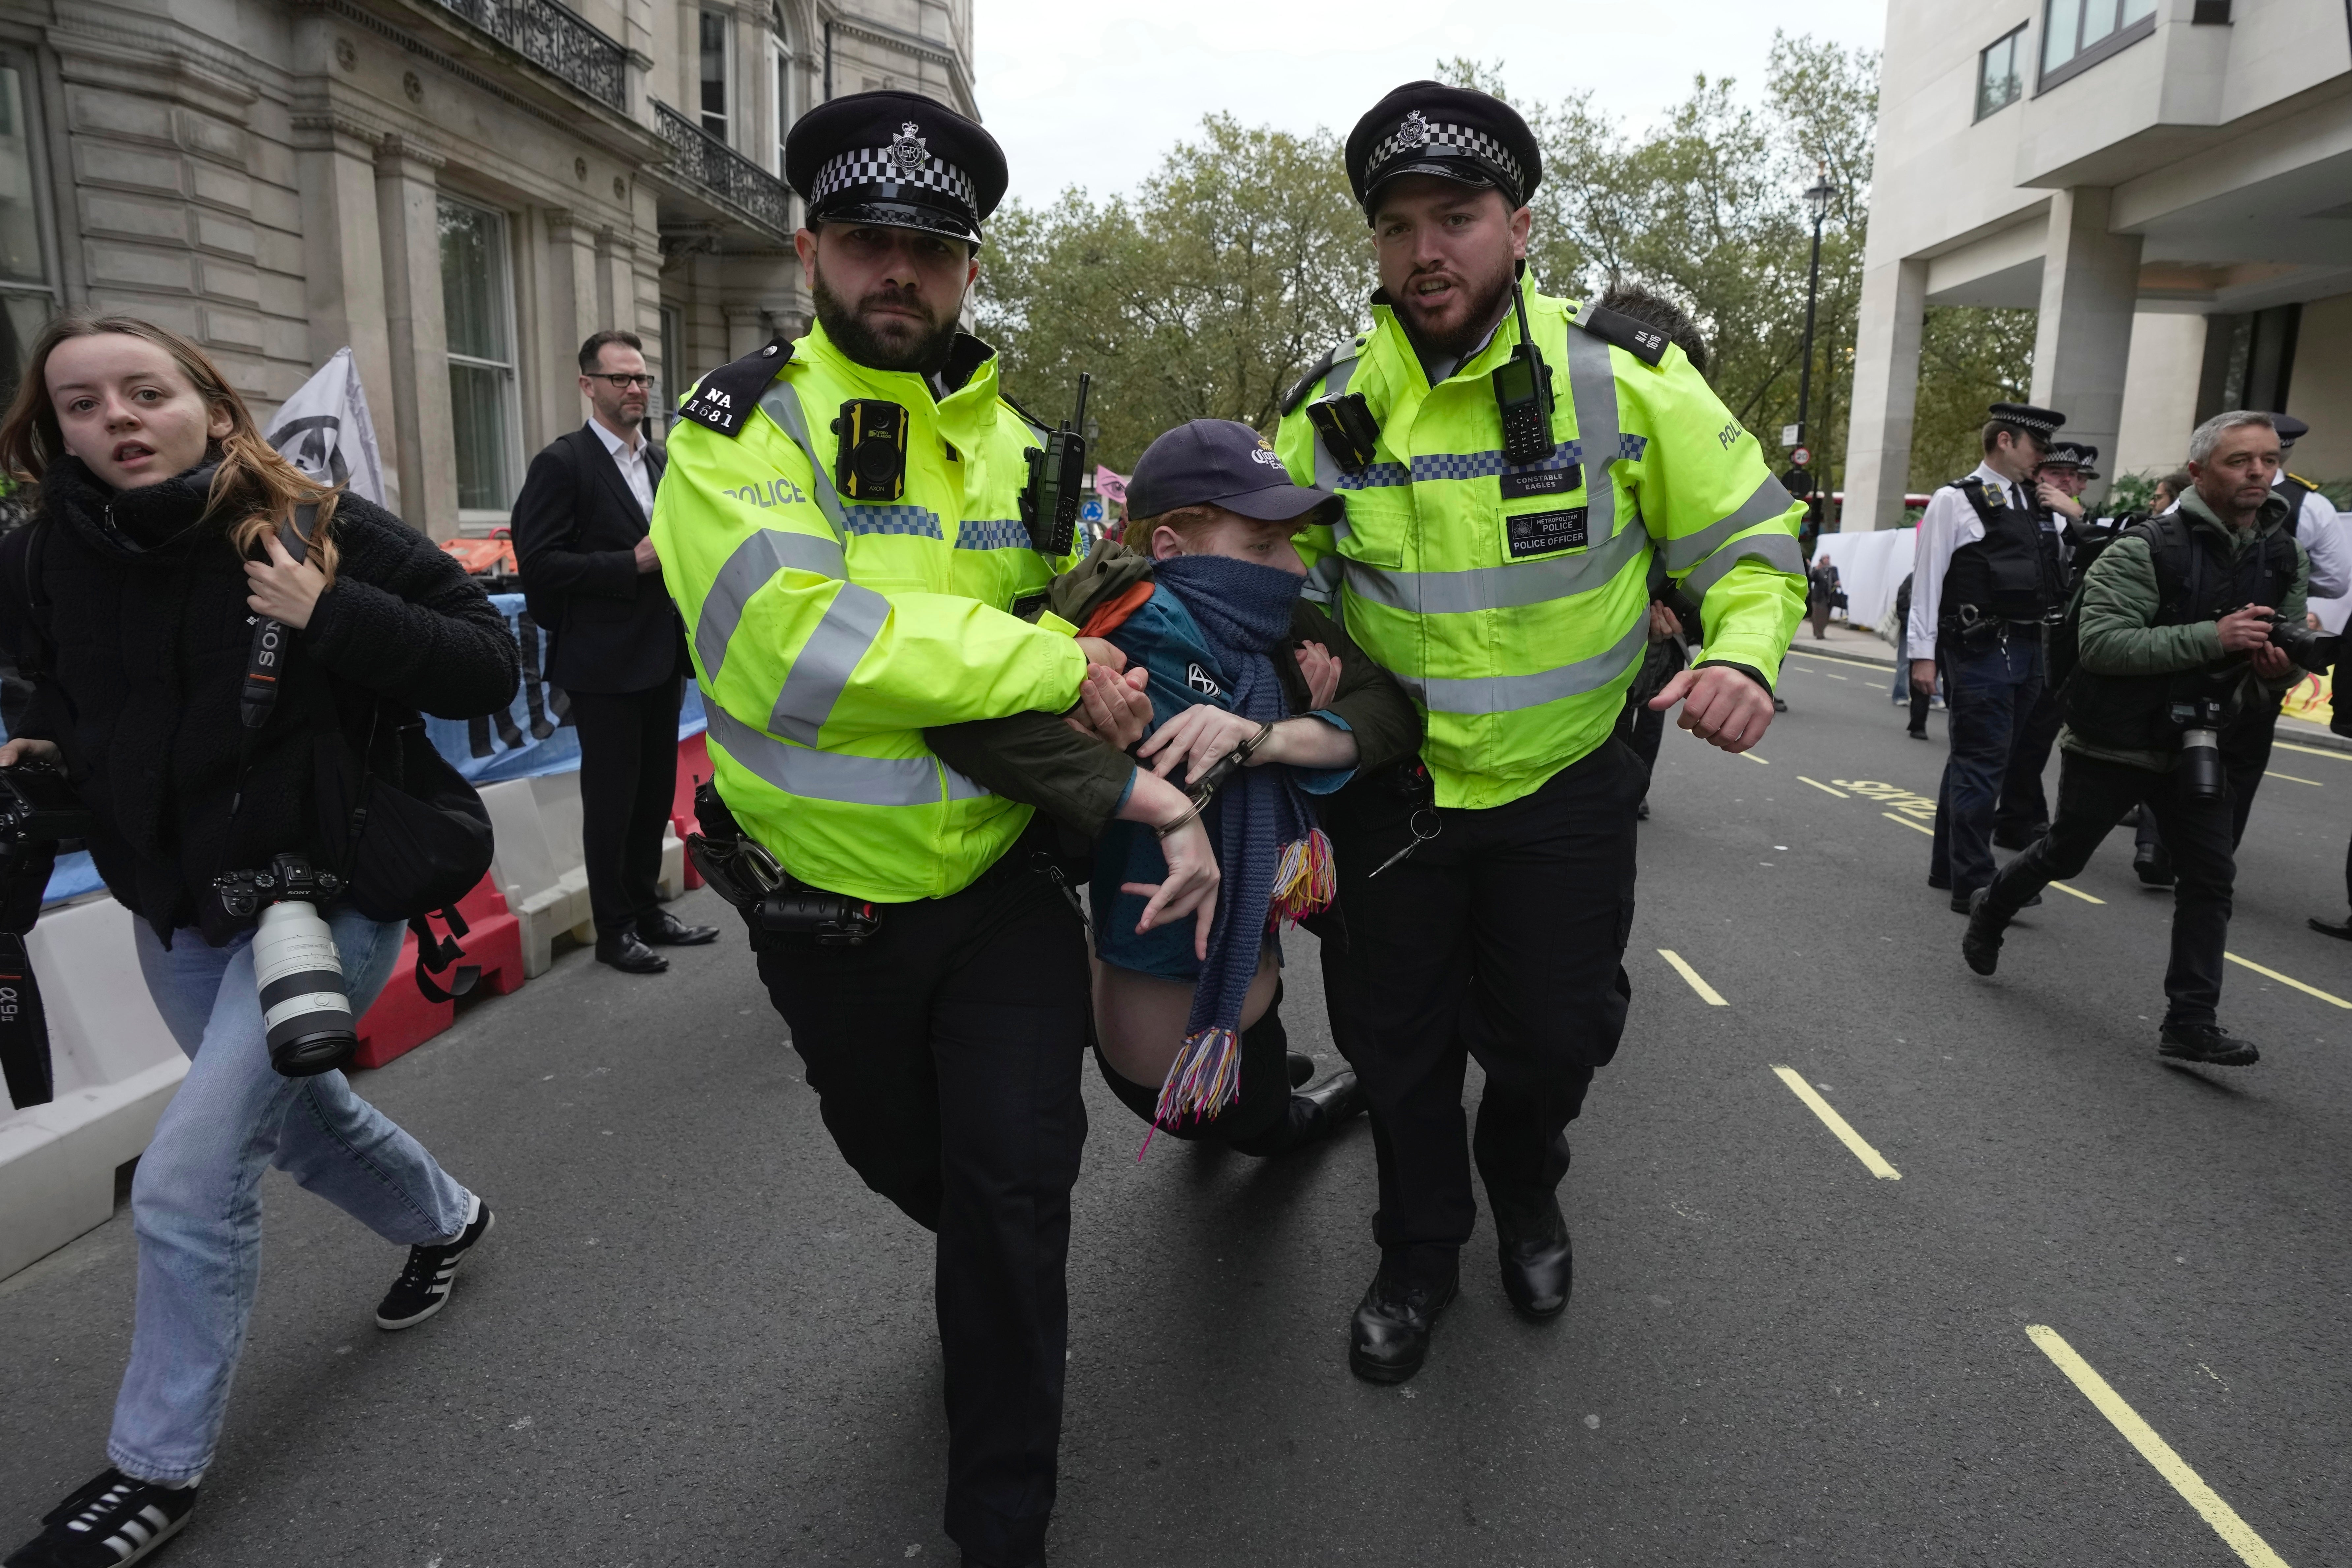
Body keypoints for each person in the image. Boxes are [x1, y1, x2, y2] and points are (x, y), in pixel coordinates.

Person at [649, 91, 1221, 1568]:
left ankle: (1001, 1521)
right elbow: (786, 646)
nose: (895, 269)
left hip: (999, 887)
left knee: (1016, 1193)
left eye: (929, 247)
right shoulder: (740, 426)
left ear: (968, 268)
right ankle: (974, 1259)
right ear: (809, 250)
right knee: (918, 1170)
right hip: (828, 914)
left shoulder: (1020, 442)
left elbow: (1060, 619)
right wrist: (1048, 663)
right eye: (864, 240)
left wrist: (1121, 662)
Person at [1275, 81, 1806, 1385]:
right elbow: (1279, 582)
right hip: (1394, 794)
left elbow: (1750, 540)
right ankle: (1417, 1248)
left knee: (1556, 1037)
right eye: (1396, 225)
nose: (1425, 250)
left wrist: (1741, 651)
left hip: (1562, 789)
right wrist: (1280, 649)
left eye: (1455, 218)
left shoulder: (1623, 376)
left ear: (1518, 229)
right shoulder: (1325, 411)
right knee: (1395, 1047)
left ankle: (1522, 1177)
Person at [0, 316, 519, 1567]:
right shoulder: (38, 557)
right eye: (82, 404)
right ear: (52, 430)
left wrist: (328, 609)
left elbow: (486, 663)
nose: (117, 419)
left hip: (324, 889)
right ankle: (448, 1218)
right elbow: (68, 699)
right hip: (176, 902)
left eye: (144, 392)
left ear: (213, 408)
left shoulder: (312, 522)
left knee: (188, 1177)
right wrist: (48, 754)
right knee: (295, 1122)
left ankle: (153, 1470)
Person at [943, 420, 1419, 1157]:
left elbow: (1387, 710)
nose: (1294, 566)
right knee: (1261, 1128)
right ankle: (1280, 1110)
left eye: (1291, 541)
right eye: (1262, 545)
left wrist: (1277, 733)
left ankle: (1260, 1073)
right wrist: (1096, 747)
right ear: (1169, 546)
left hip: (1254, 946)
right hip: (1159, 1019)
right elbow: (977, 727)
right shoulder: (1106, 631)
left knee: (1266, 1059)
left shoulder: (1272, 619)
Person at [1962, 411, 2327, 1066]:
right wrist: (2213, 637)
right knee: (2064, 854)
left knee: (2210, 878)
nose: (2258, 472)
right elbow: (2103, 645)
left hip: (2203, 737)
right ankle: (1992, 906)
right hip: (2116, 738)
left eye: (2268, 460)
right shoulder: (2143, 549)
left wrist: (2281, 669)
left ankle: (2189, 1021)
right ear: (2197, 472)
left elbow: (2286, 650)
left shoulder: (2283, 555)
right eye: (2239, 461)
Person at [510, 329, 718, 974]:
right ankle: (615, 929)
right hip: (601, 663)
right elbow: (538, 564)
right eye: (621, 378)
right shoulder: (563, 463)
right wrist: (628, 563)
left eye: (642, 378)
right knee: (612, 800)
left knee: (654, 794)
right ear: (588, 385)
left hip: (661, 655)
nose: (636, 389)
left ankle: (648, 910)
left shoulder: (659, 460)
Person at [1907, 402, 2069, 912]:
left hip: (2029, 648)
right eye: (2036, 447)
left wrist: (2072, 516)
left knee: (1980, 761)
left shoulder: (2037, 504)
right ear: (2004, 441)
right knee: (1981, 763)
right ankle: (1975, 883)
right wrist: (1921, 655)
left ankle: (1947, 866)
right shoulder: (1955, 500)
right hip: (1980, 648)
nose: (2041, 458)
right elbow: (1928, 580)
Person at [1992, 439, 2098, 849]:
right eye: (2058, 474)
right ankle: (2018, 817)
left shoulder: (2074, 516)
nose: (2068, 482)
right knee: (2023, 737)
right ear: (2038, 476)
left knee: (2037, 738)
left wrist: (2078, 516)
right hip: (2025, 638)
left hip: (2063, 641)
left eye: (2074, 476)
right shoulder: (2022, 513)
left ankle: (2024, 814)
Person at [1892, 571, 1933, 738]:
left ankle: (1935, 698)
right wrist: (1908, 623)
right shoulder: (1913, 578)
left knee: (1931, 669)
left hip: (1929, 630)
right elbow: (1902, 602)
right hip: (1910, 628)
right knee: (1905, 663)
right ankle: (1900, 695)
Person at [1807, 552, 1840, 639]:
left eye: (1828, 558)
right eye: (1825, 558)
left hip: (1829, 596)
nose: (1827, 560)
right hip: (1818, 597)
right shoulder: (1817, 569)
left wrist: (1837, 583)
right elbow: (1812, 578)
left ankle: (1821, 631)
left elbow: (1836, 579)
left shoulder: (1833, 569)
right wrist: (1817, 569)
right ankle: (1819, 633)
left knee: (1825, 617)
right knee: (1817, 615)